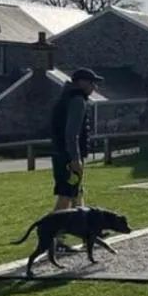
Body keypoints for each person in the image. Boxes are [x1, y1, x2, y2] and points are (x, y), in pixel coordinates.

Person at [49, 67, 101, 212]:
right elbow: (72, 133)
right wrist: (75, 158)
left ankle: (82, 222)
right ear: (82, 82)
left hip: (60, 152)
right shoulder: (77, 100)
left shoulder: (65, 97)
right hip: (68, 156)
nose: (94, 87)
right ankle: (55, 225)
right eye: (92, 83)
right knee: (66, 195)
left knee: (77, 192)